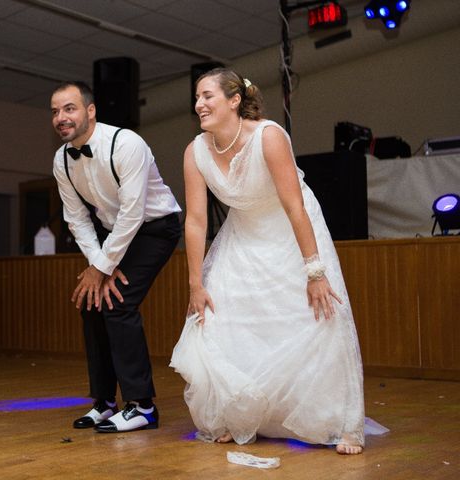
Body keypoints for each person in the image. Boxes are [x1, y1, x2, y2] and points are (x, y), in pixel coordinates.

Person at [170, 68, 367, 454]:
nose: (199, 105)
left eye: (207, 96)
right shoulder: (195, 152)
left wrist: (314, 271)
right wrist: (196, 282)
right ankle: (242, 416)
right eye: (196, 98)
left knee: (316, 317)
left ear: (234, 101)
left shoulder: (269, 136)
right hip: (242, 235)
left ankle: (339, 424)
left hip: (291, 231)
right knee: (227, 320)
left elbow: (295, 206)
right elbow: (194, 221)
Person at [51, 81, 181, 433]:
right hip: (114, 232)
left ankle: (142, 407)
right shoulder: (62, 160)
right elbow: (76, 218)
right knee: (93, 302)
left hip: (155, 227)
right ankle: (105, 403)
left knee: (118, 303)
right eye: (56, 111)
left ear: (90, 111)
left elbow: (133, 211)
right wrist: (97, 267)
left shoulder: (126, 143)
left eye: (69, 108)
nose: (61, 117)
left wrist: (102, 267)